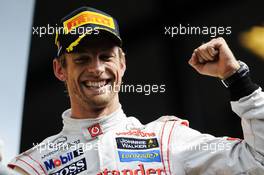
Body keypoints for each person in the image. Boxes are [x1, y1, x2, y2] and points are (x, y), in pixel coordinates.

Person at [8, 6, 264, 175]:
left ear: (122, 63)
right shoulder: (34, 166)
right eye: (82, 59)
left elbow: (258, 161)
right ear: (59, 70)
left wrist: (236, 78)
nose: (97, 69)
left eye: (106, 57)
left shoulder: (167, 139)